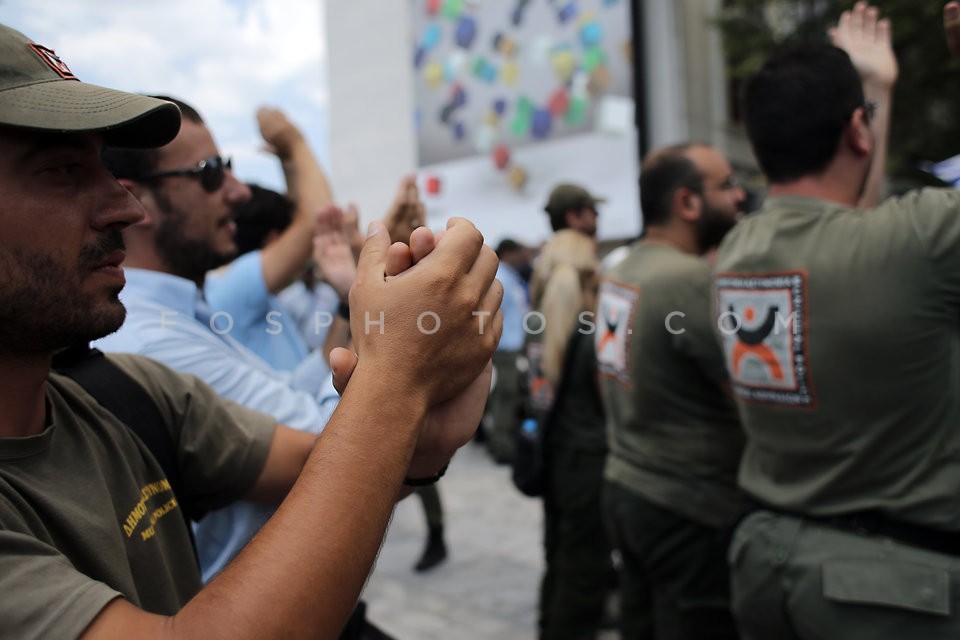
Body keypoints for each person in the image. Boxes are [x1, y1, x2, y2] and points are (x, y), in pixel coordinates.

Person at [0, 20, 502, 639]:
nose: (126, 209)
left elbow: (322, 463)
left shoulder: (127, 394)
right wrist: (397, 382)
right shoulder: (145, 355)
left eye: (104, 170)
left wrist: (421, 438)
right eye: (59, 171)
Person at [709, 3, 960, 638]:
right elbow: (859, 219)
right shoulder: (921, 242)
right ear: (858, 132)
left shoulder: (735, 253)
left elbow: (850, 214)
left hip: (767, 564)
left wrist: (872, 91)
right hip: (892, 587)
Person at [96, 96, 346, 581]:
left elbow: (292, 390)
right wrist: (402, 353)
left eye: (228, 167)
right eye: (210, 172)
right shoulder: (149, 341)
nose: (237, 191)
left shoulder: (183, 309)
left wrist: (354, 309)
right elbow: (332, 452)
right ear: (134, 202)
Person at [595, 142, 746, 639]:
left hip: (629, 487)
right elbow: (746, 395)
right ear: (687, 203)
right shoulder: (688, 280)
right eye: (726, 184)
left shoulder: (622, 270)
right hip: (689, 506)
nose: (740, 195)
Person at [204, 106, 339, 374]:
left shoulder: (262, 297)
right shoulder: (238, 284)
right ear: (275, 239)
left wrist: (288, 164)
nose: (305, 249)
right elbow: (316, 220)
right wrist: (296, 141)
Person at [528, 229, 612, 640]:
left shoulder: (539, 325)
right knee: (584, 575)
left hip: (555, 459)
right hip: (588, 466)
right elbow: (607, 405)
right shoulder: (590, 333)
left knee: (559, 561)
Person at [483, 238, 531, 464]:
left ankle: (497, 439)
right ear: (507, 253)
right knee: (505, 395)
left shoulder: (509, 275)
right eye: (518, 252)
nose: (523, 256)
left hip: (510, 345)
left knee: (504, 395)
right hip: (504, 348)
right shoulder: (501, 276)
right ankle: (500, 445)